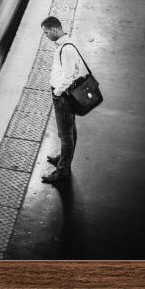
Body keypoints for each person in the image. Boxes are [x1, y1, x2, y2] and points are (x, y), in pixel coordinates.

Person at [41, 16, 88, 184]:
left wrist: (58, 92)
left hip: (63, 97)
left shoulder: (66, 49)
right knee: (70, 129)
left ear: (54, 30)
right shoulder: (66, 43)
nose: (46, 35)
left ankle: (63, 170)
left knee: (65, 135)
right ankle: (64, 158)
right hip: (66, 96)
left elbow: (68, 77)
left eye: (46, 32)